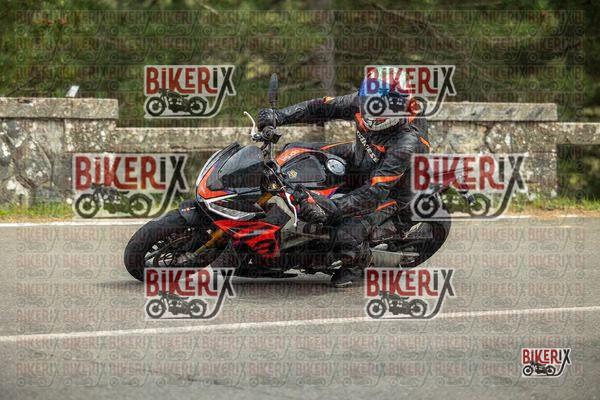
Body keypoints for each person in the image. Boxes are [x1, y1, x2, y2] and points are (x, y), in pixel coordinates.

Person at [256, 67, 431, 287]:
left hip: (392, 191)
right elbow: (320, 107)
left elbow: (374, 191)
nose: (370, 111)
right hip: (361, 156)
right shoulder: (364, 101)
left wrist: (330, 208)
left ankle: (357, 262)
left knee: (344, 233)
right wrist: (279, 116)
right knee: (296, 151)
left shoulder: (407, 143)